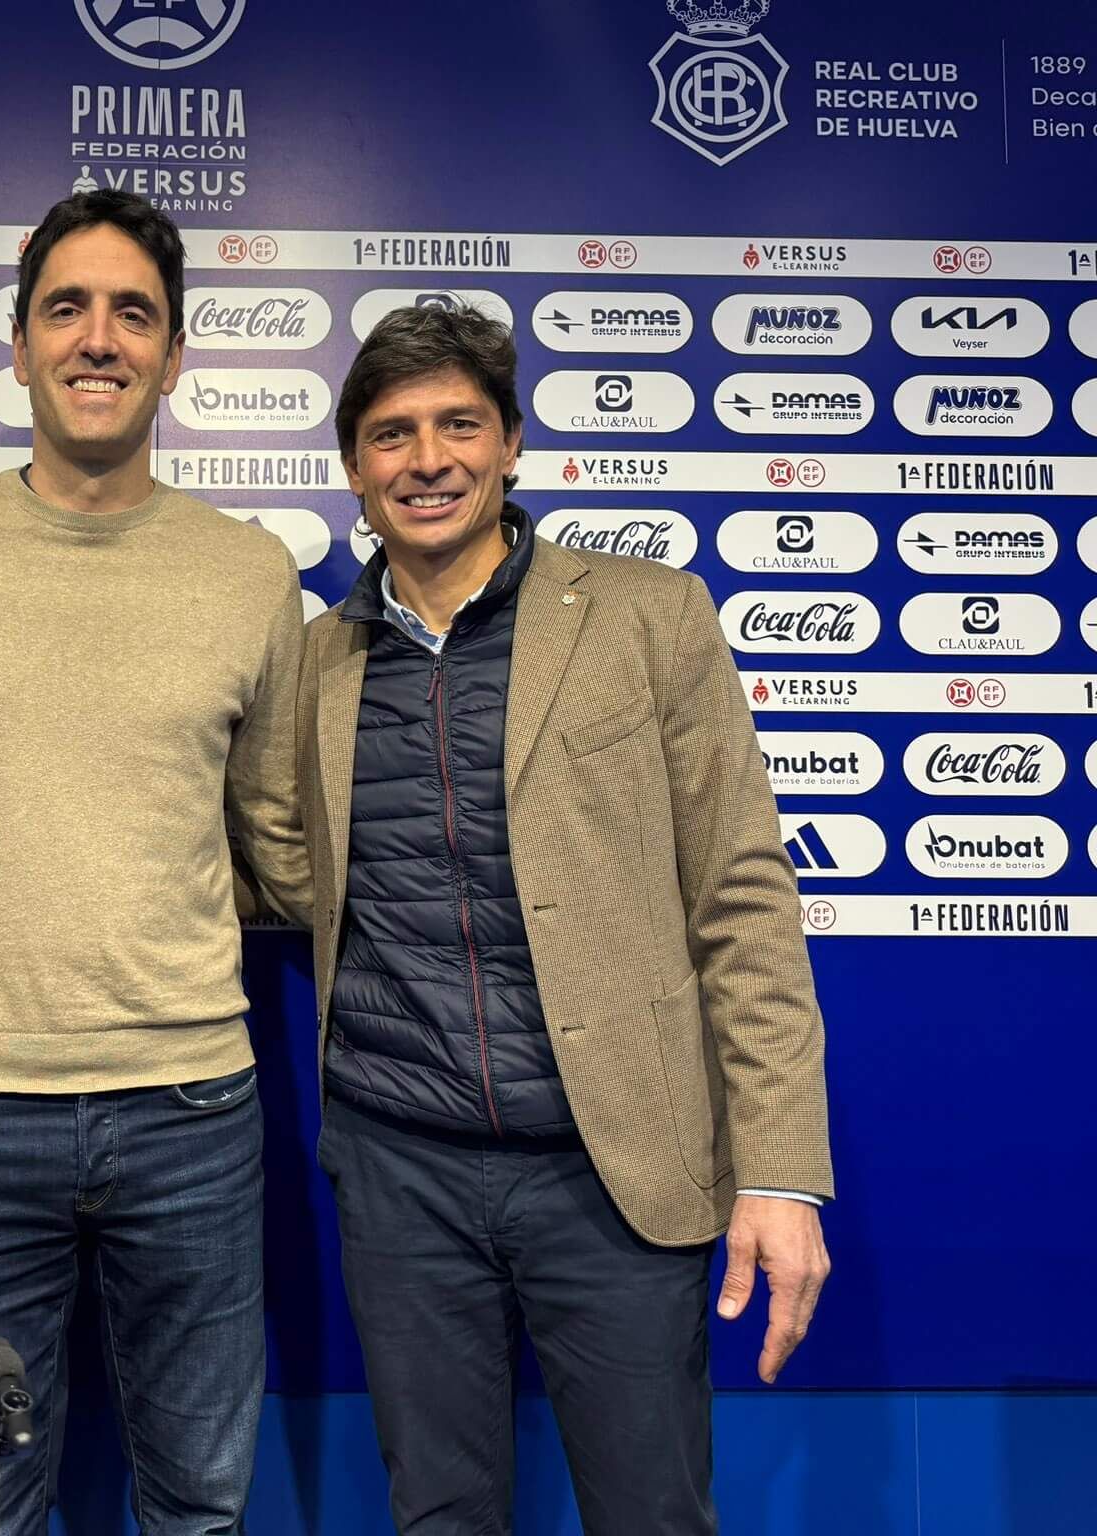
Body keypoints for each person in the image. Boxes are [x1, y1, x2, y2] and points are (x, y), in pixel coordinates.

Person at [298, 303, 833, 1535]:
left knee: (651, 1515)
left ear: (511, 444)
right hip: (400, 1173)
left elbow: (741, 895)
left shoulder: (649, 616)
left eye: (455, 426)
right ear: (353, 471)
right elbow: (281, 862)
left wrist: (781, 1173)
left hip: (611, 1173)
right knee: (438, 1516)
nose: (424, 459)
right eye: (389, 435)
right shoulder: (320, 661)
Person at [0, 189, 312, 1535]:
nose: (98, 339)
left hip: (192, 1125)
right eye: (68, 309)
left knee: (202, 1504)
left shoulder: (246, 573)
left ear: (172, 355)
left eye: (133, 314)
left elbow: (276, 839)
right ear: (18, 341)